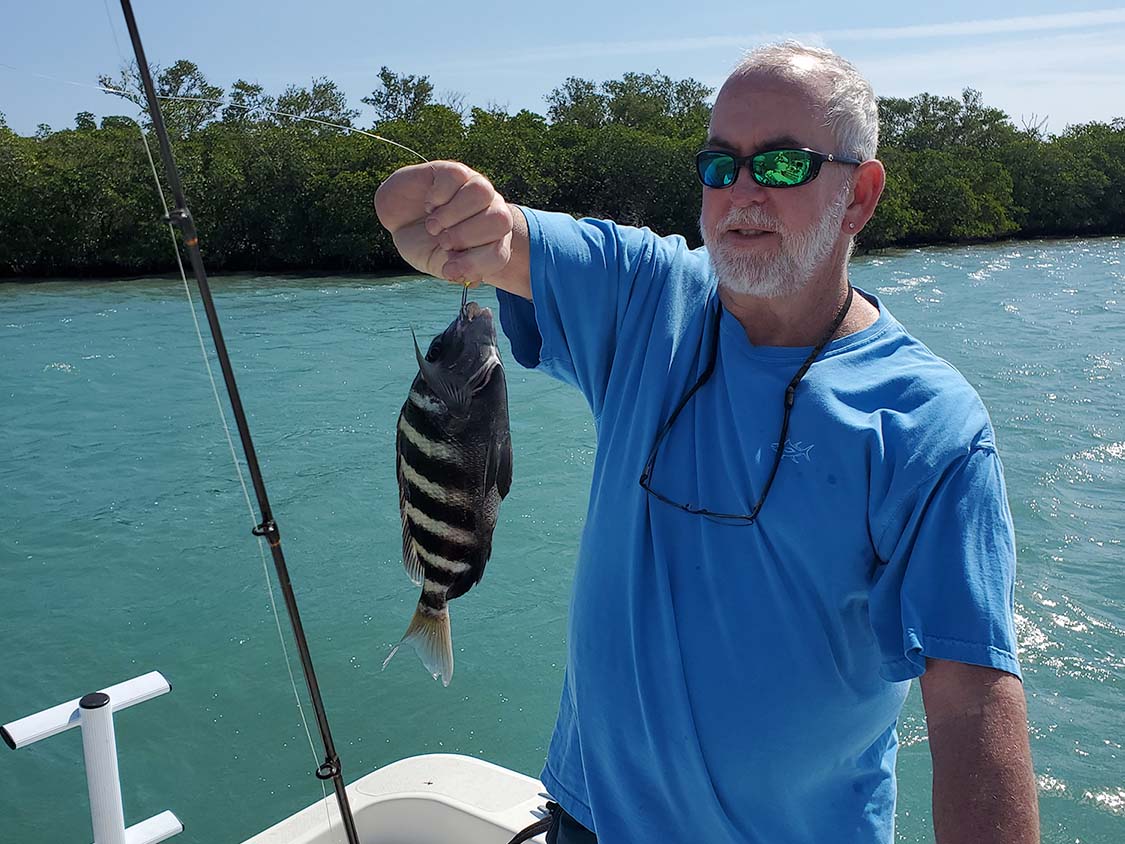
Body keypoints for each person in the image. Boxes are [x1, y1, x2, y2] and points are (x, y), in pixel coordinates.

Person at [374, 41, 1039, 844]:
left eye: (782, 166)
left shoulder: (927, 425)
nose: (741, 193)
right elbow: (487, 238)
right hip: (589, 823)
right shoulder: (646, 296)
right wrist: (439, 207)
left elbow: (971, 702)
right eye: (719, 166)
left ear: (859, 194)